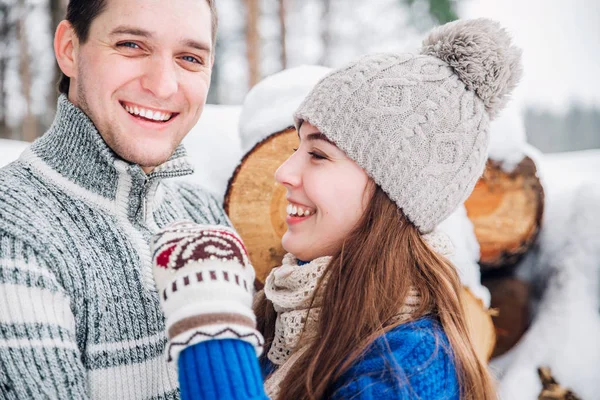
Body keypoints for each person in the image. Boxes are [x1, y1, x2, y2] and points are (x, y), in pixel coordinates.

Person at [151, 18, 522, 399]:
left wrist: (214, 332)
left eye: (318, 154)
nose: (284, 172)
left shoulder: (410, 367)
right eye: (297, 148)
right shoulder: (291, 319)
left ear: (392, 191)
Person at [0, 0, 227, 398]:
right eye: (131, 45)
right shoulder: (14, 230)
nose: (163, 85)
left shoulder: (204, 213)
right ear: (70, 49)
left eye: (190, 58)